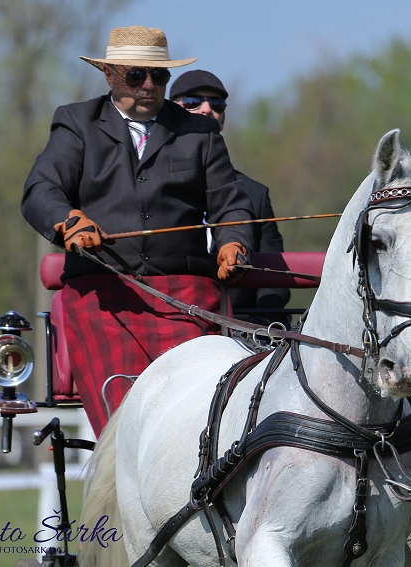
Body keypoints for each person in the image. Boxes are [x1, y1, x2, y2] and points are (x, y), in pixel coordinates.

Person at [21, 26, 255, 436]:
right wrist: (69, 221)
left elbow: (229, 203)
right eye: (136, 76)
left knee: (191, 421)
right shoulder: (77, 123)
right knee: (126, 426)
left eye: (159, 76)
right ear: (109, 75)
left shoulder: (200, 133)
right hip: (102, 297)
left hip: (185, 298)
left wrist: (233, 242)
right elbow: (41, 190)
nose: (149, 86)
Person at [170, 70, 290, 328]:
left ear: (223, 119)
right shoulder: (148, 184)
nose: (206, 110)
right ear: (169, 112)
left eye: (216, 105)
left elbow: (275, 284)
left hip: (239, 336)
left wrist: (257, 329)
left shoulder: (255, 194)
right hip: (169, 322)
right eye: (192, 102)